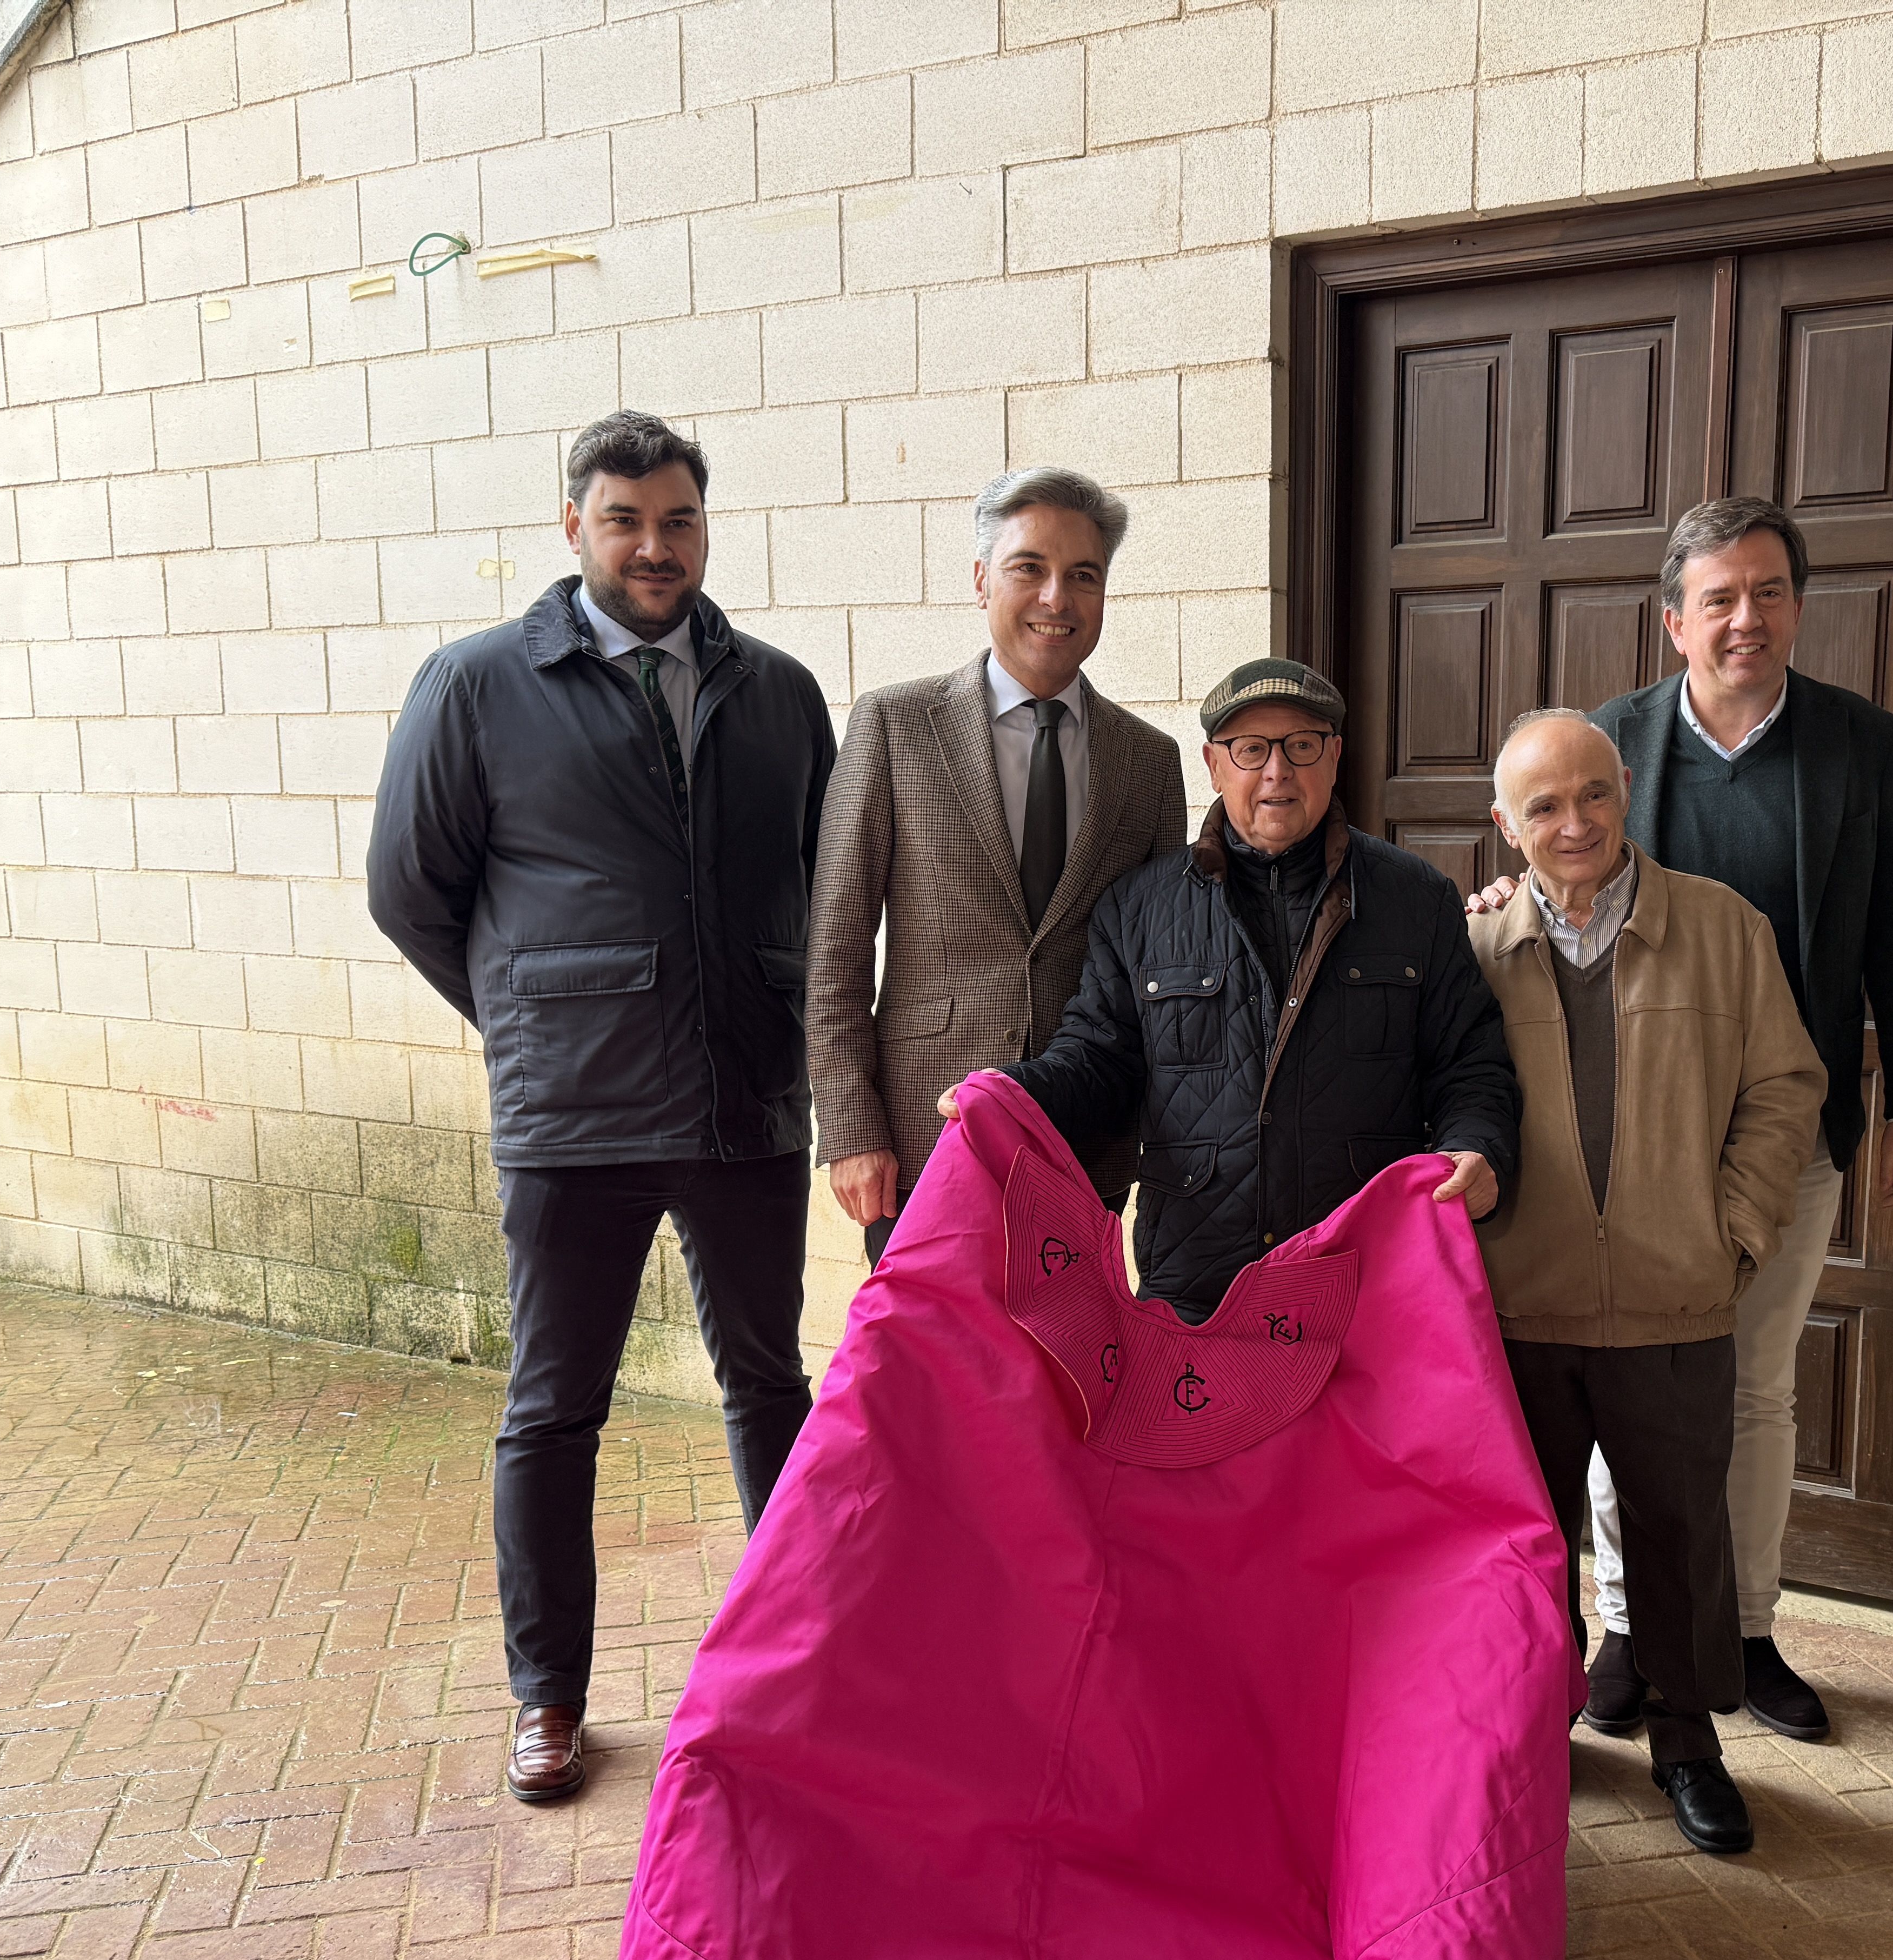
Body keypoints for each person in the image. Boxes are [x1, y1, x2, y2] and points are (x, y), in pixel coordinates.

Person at [366, 410, 835, 1807]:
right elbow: (411, 891)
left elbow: (821, 875)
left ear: (705, 529)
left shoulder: (780, 692)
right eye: (625, 519)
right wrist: (535, 1021)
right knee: (553, 1407)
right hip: (574, 1111)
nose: (653, 545)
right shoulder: (474, 687)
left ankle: (792, 1671)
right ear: (573, 527)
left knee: (772, 1388)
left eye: (678, 519)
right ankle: (548, 1698)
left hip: (749, 1096)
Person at [1485, 497, 1893, 1747]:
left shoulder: (1859, 744)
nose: (1747, 619)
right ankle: (1632, 1631)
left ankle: (1743, 1630)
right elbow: (1552, 867)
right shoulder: (1613, 744)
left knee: (1749, 1391)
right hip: (1628, 1145)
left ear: (1798, 605)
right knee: (1625, 1391)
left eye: (1771, 592)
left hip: (1782, 1136)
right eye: (1721, 597)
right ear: (1675, 618)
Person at [1470, 712, 1824, 1855]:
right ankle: (1537, 1732)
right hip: (1522, 1307)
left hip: (1679, 1302)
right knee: (1531, 1547)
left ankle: (1686, 1741)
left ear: (1625, 790)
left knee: (1678, 1536)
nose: (1574, 826)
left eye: (1592, 797)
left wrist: (1732, 1234)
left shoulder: (1724, 930)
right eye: (1542, 808)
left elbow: (1786, 1086)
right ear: (1504, 826)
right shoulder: (1473, 947)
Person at [952, 657, 1518, 1321]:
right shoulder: (1137, 909)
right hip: (1196, 1288)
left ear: (1334, 757)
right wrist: (1010, 1096)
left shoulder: (1416, 899)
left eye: (1302, 746)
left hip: (1369, 1281)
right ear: (1214, 765)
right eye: (1251, 750)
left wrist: (1478, 1147)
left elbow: (1470, 1064)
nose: (1277, 771)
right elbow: (1097, 1062)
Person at [806, 469, 1187, 1264]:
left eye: (1084, 575)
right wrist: (849, 1127)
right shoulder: (895, 726)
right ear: (983, 579)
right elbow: (837, 947)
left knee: (1065, 1382)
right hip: (921, 1142)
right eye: (1030, 568)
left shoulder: (1148, 762)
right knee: (927, 1383)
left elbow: (1162, 965)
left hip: (1084, 1146)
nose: (1058, 597)